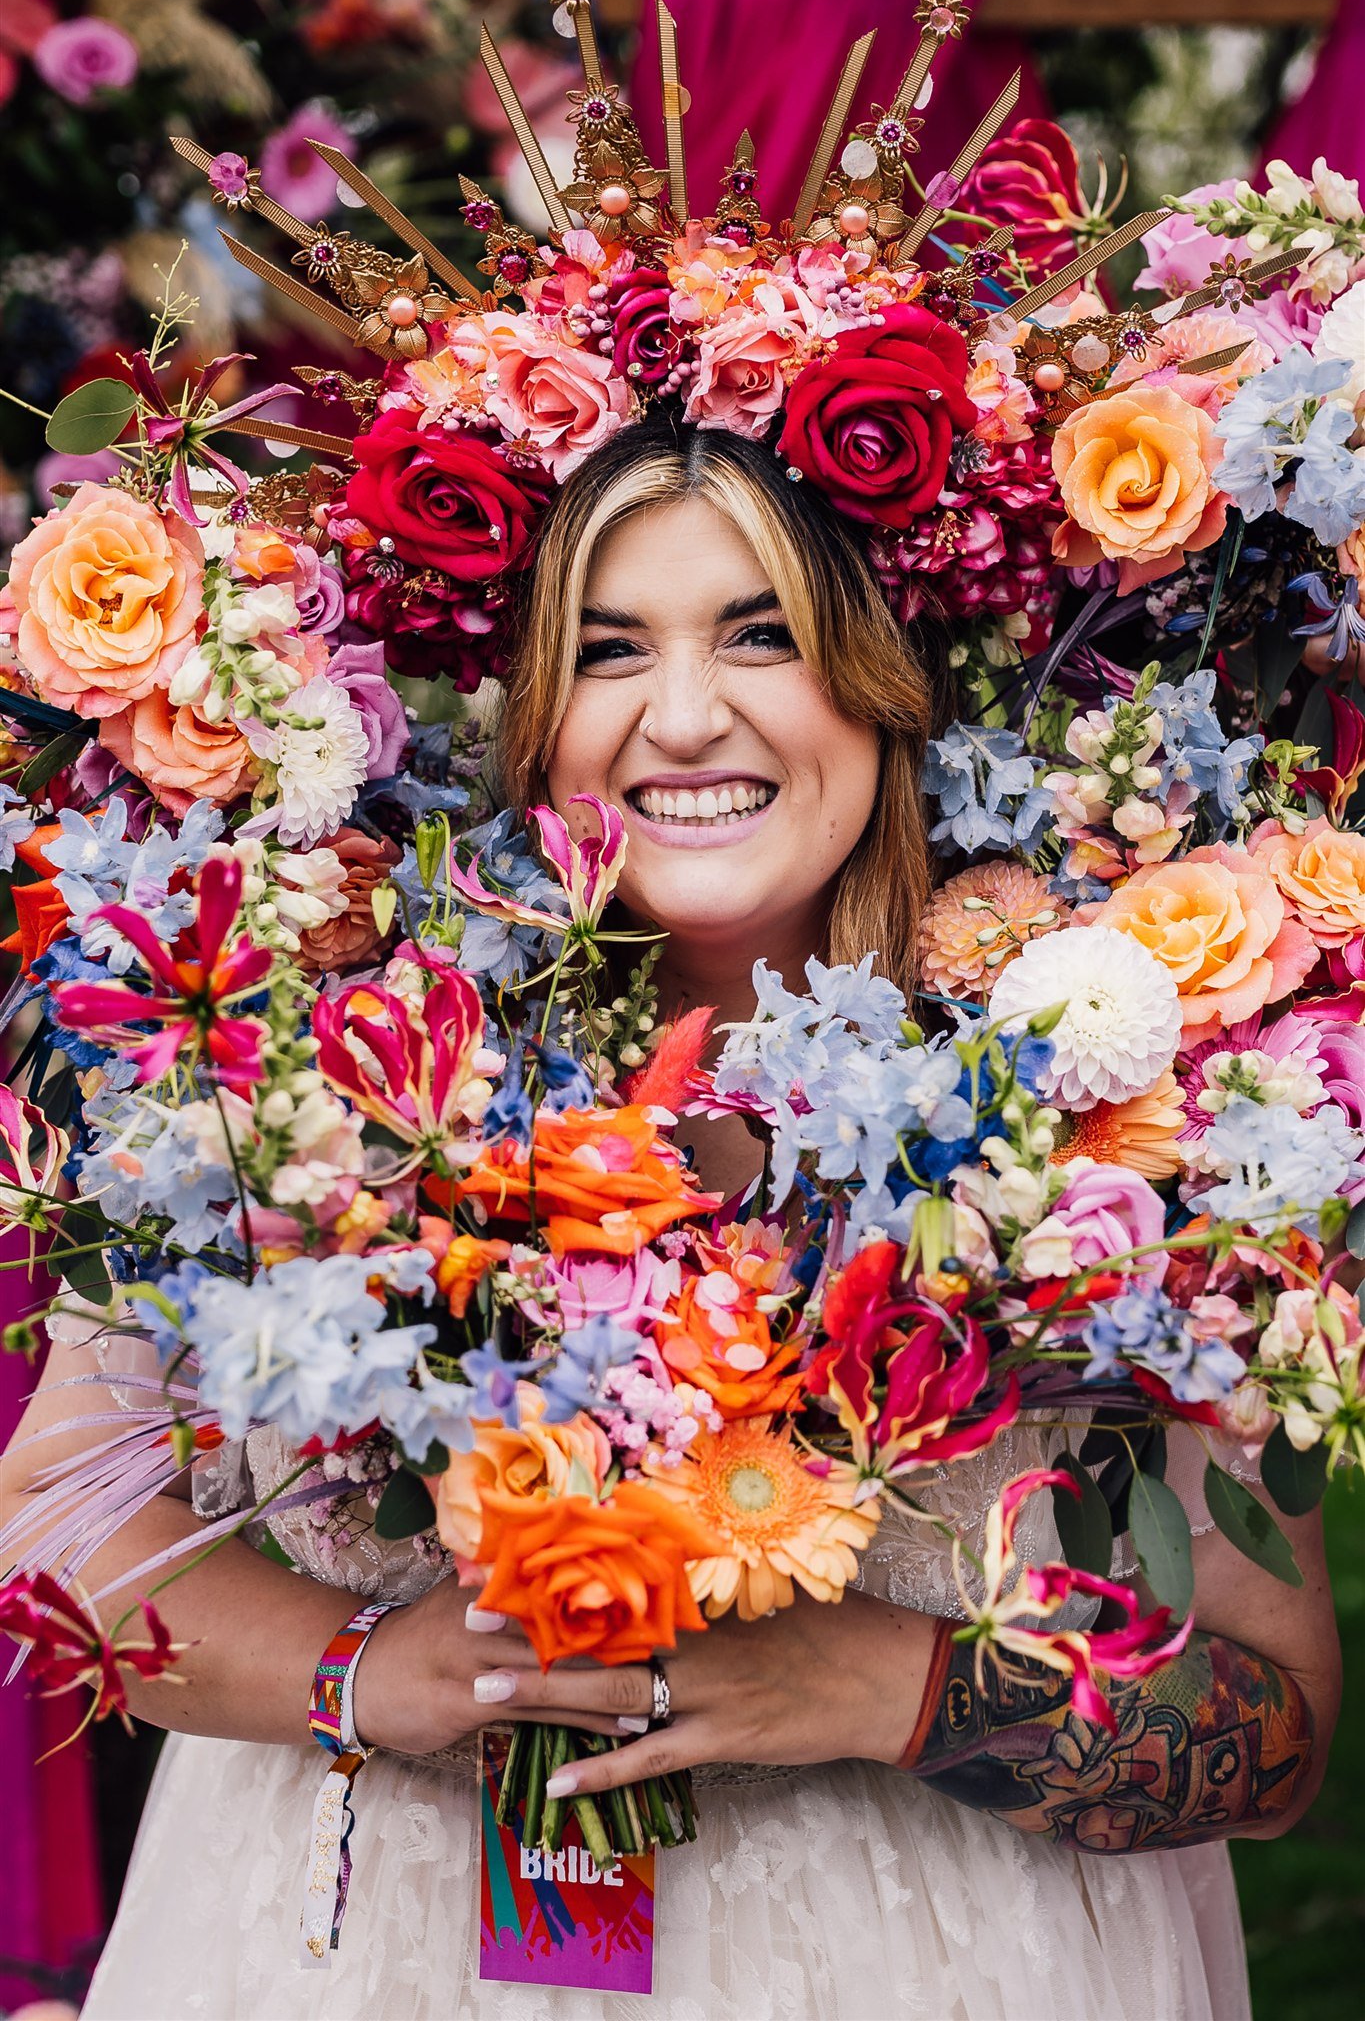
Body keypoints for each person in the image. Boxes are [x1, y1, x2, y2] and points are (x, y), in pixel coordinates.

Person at [1, 423, 1341, 2021]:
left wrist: (877, 1682)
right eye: (607, 648)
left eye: (762, 632)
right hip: (373, 1960)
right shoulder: (311, 1046)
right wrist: (364, 1668)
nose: (685, 714)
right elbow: (57, 1542)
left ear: (882, 675)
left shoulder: (1113, 1101)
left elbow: (1274, 1742)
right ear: (527, 712)